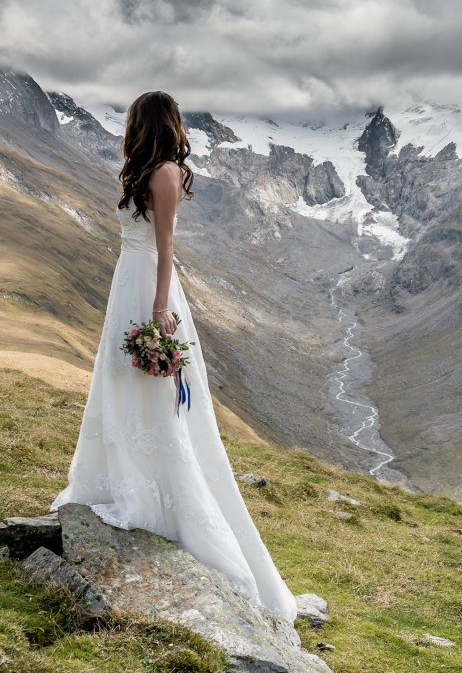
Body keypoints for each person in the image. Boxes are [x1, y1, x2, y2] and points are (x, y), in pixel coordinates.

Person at [50, 90, 298, 624]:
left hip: (149, 287)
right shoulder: (143, 170)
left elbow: (166, 247)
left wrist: (160, 308)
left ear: (147, 124)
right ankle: (117, 476)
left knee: (154, 390)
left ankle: (158, 492)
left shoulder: (165, 173)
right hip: (128, 283)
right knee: (120, 380)